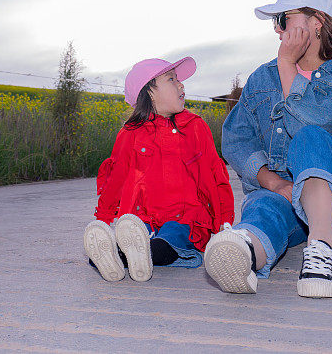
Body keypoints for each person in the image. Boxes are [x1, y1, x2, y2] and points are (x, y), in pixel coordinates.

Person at [204, 0, 332, 298]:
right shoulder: (262, 78)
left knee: (310, 137)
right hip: (287, 198)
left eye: (283, 19)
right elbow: (236, 139)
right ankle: (244, 253)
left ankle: (323, 251)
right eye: (276, 21)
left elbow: (314, 124)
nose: (277, 29)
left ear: (317, 22)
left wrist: (287, 66)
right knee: (264, 204)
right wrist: (275, 183)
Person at [84, 57, 235, 282]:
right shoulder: (130, 133)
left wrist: (224, 224)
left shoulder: (194, 127)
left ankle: (130, 258)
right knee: (133, 232)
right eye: (171, 79)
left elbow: (214, 175)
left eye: (179, 80)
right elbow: (115, 179)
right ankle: (116, 255)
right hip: (142, 218)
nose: (181, 84)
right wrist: (103, 221)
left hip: (186, 218)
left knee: (169, 240)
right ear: (149, 92)